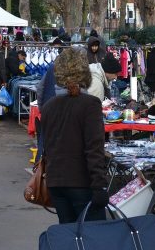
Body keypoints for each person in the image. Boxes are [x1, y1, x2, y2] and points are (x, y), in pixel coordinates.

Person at [41, 47, 108, 223]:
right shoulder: (90, 105)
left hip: (56, 182)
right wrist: (99, 185)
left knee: (70, 238)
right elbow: (94, 149)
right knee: (92, 238)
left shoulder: (49, 106)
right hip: (81, 182)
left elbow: (47, 146)